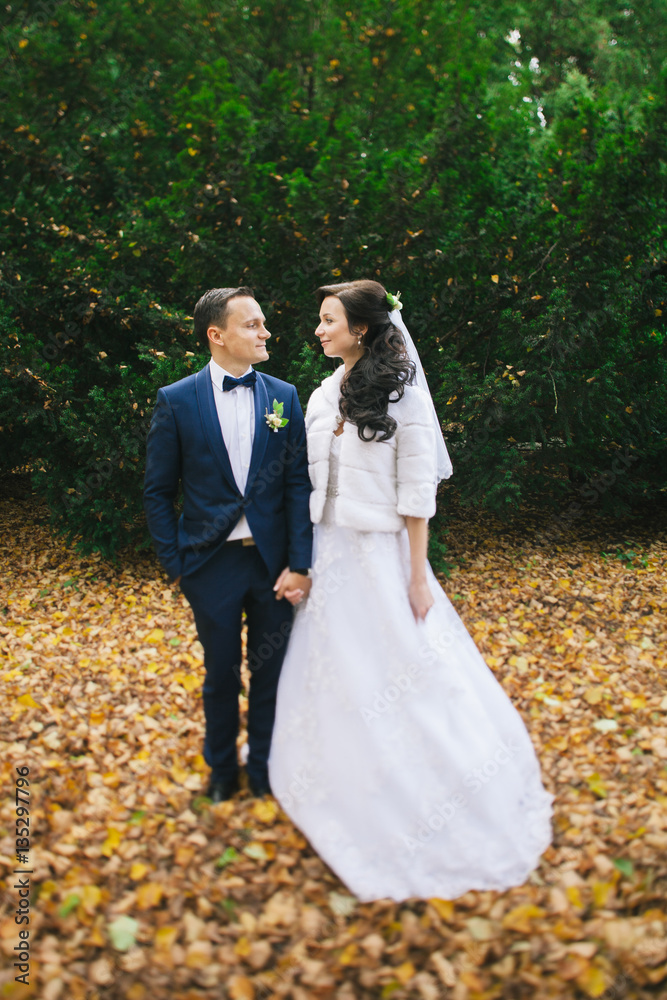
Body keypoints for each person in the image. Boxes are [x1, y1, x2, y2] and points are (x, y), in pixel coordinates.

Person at [268, 279, 553, 902]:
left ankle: (434, 792)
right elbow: (302, 484)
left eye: (327, 320)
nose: (318, 330)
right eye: (319, 320)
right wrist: (300, 560)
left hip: (380, 555)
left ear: (360, 328)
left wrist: (417, 575)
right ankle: (345, 781)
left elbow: (417, 490)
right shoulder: (321, 394)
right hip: (327, 552)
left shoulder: (402, 397)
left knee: (399, 670)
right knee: (339, 671)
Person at [144, 287, 312, 802]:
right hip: (209, 566)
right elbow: (156, 489)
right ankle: (221, 772)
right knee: (220, 676)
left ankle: (262, 769)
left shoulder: (283, 396)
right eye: (253, 325)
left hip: (272, 567)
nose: (265, 333)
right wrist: (178, 565)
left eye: (263, 324)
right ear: (217, 336)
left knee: (270, 674)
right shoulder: (176, 400)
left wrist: (300, 564)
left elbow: (297, 484)